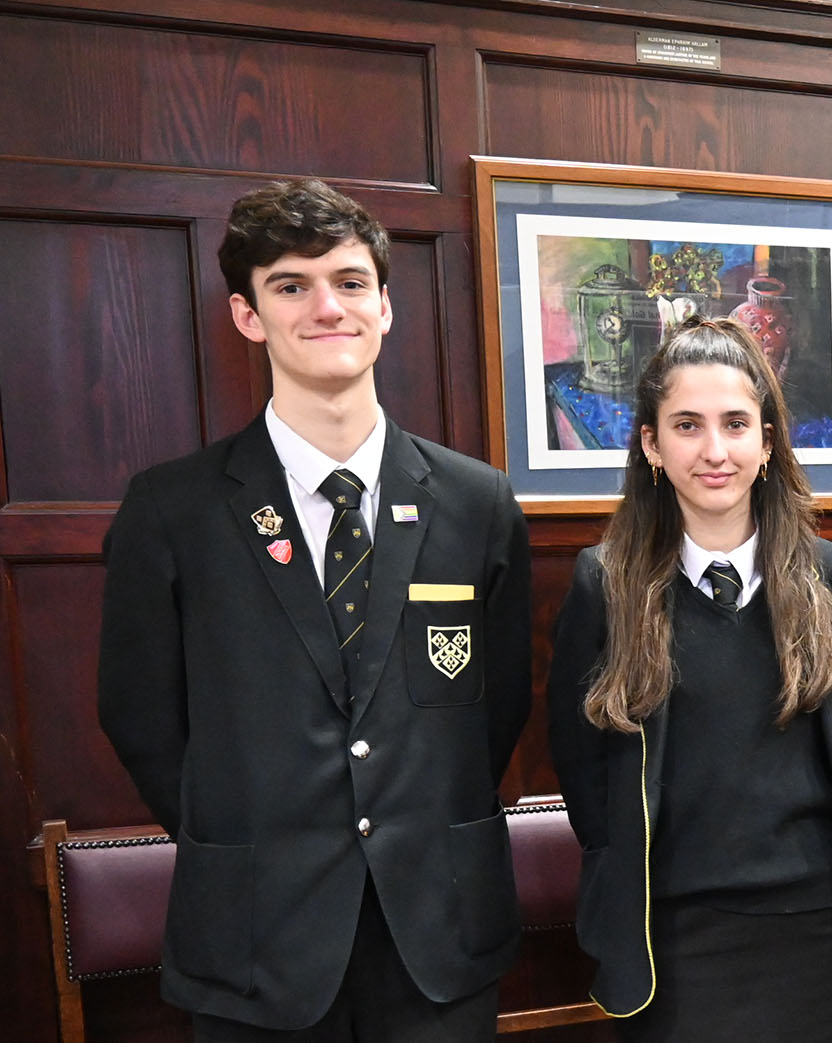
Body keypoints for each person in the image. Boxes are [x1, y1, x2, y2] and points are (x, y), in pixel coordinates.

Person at [97, 178, 533, 1040]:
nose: (326, 306)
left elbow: (498, 708)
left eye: (349, 281)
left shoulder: (475, 501)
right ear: (248, 316)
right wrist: (245, 828)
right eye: (291, 285)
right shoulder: (171, 510)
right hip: (256, 940)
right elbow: (142, 718)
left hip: (436, 936)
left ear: (384, 305)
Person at [544, 314, 832, 1040]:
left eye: (737, 423)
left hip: (810, 927)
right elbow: (582, 768)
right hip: (668, 933)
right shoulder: (605, 585)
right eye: (687, 425)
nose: (715, 450)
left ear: (767, 442)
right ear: (650, 443)